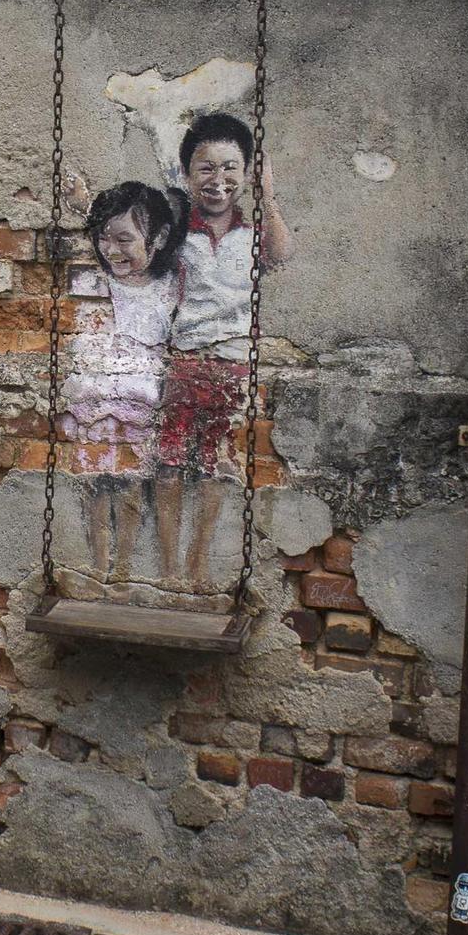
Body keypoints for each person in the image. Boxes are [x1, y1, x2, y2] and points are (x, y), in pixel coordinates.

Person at [153, 113, 292, 591]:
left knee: (213, 463)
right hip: (185, 362)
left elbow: (280, 255)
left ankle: (198, 562)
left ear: (247, 174)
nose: (218, 181)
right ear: (187, 174)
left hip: (233, 366)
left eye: (230, 168)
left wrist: (268, 197)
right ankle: (169, 565)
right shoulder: (174, 234)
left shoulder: (253, 236)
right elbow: (122, 231)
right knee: (170, 462)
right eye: (206, 169)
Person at [60, 182, 187, 595]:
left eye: (124, 239)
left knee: (131, 489)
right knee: (95, 487)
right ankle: (96, 565)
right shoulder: (93, 283)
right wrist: (82, 205)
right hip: (91, 406)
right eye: (104, 238)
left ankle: (125, 567)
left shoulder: (168, 286)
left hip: (139, 406)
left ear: (159, 239)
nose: (111, 249)